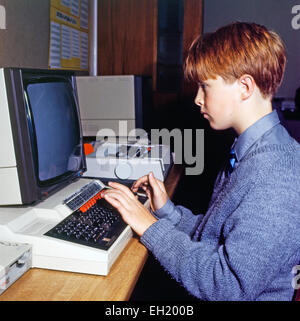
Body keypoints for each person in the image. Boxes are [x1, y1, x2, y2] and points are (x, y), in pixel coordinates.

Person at [102, 22, 300, 301]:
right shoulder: (251, 150)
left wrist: (147, 225)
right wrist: (167, 212)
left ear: (245, 87)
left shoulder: (277, 174)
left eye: (205, 86)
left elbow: (226, 284)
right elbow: (216, 237)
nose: (197, 99)